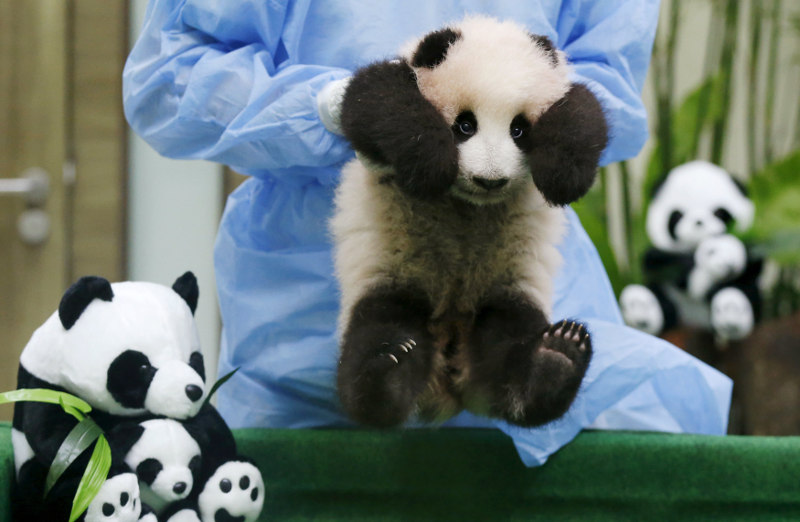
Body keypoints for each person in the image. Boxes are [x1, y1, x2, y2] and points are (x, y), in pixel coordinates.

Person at [123, 0, 732, 466]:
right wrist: (337, 108)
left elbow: (612, 93)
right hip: (304, 315)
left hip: (518, 279)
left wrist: (555, 119)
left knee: (524, 391)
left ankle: (517, 379)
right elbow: (171, 79)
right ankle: (387, 375)